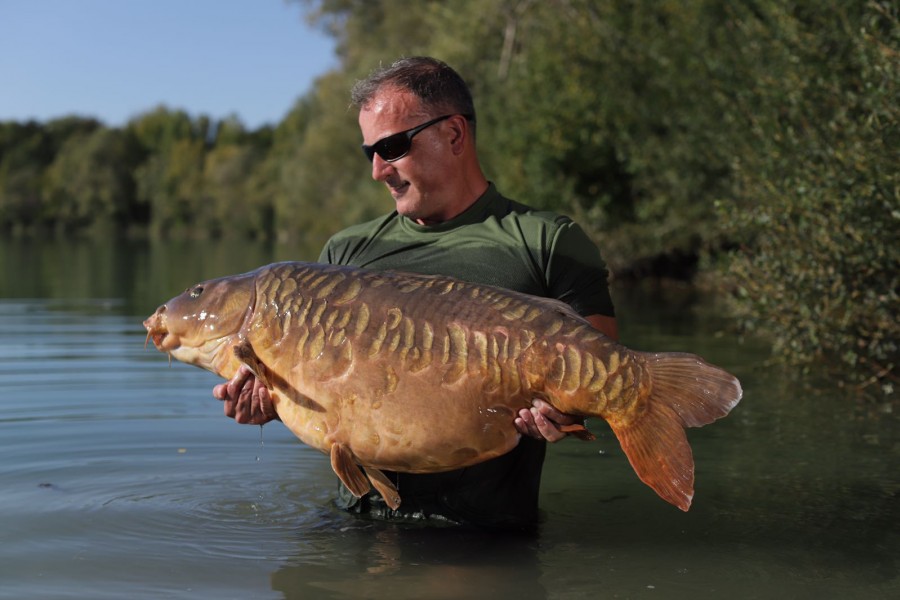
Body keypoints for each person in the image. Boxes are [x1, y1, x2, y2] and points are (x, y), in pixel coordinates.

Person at [213, 57, 617, 530]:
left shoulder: (548, 242)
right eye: (370, 153)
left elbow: (603, 378)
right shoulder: (346, 253)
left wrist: (562, 413)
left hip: (484, 535)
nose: (378, 170)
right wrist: (271, 403)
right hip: (354, 524)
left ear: (454, 135)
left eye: (393, 147)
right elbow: (332, 393)